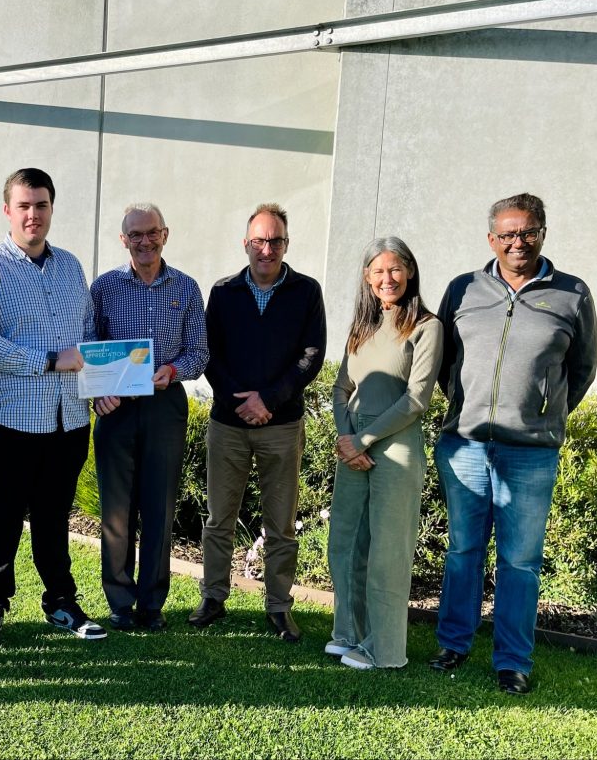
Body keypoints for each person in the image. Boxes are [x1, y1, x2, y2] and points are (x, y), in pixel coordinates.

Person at [429, 193, 597, 695]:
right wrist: (467, 404)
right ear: (491, 240)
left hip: (530, 452)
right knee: (463, 551)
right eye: (507, 234)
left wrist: (543, 413)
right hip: (465, 446)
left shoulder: (571, 294)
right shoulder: (463, 289)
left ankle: (512, 661)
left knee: (520, 561)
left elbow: (582, 369)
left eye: (527, 232)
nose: (517, 242)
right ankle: (454, 644)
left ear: (542, 233)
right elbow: (444, 362)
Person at [0, 168, 106, 651]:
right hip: (7, 419)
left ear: (51, 208)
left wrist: (97, 384)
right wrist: (46, 361)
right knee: (1, 516)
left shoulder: (70, 267)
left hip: (68, 419)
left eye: (40, 205)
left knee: (52, 515)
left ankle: (61, 601)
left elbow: (85, 338)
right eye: (23, 205)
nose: (32, 214)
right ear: (8, 210)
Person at [190, 202, 326, 640]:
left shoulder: (306, 292)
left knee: (281, 524)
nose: (267, 249)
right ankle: (213, 596)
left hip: (282, 424)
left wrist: (268, 399)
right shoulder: (224, 291)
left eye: (275, 241)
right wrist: (240, 403)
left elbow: (312, 356)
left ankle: (279, 606)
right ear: (246, 243)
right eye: (259, 241)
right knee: (219, 518)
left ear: (286, 244)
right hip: (228, 425)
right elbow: (211, 352)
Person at [325, 237, 443, 670]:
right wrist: (346, 437)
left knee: (387, 553)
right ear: (367, 278)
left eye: (395, 269)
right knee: (345, 544)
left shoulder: (427, 327)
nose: (386, 278)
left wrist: (364, 439)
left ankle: (386, 650)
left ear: (409, 272)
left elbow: (416, 399)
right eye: (378, 271)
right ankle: (350, 633)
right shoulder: (362, 327)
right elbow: (341, 389)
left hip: (394, 449)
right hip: (353, 447)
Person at [91, 203, 208, 631]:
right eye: (135, 235)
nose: (144, 241)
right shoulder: (103, 288)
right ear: (123, 240)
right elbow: (88, 346)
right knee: (116, 511)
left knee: (159, 507)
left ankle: (151, 604)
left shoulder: (187, 288)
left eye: (151, 232)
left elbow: (199, 351)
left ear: (165, 233)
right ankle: (120, 602)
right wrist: (99, 394)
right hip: (117, 409)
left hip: (164, 405)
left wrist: (174, 370)